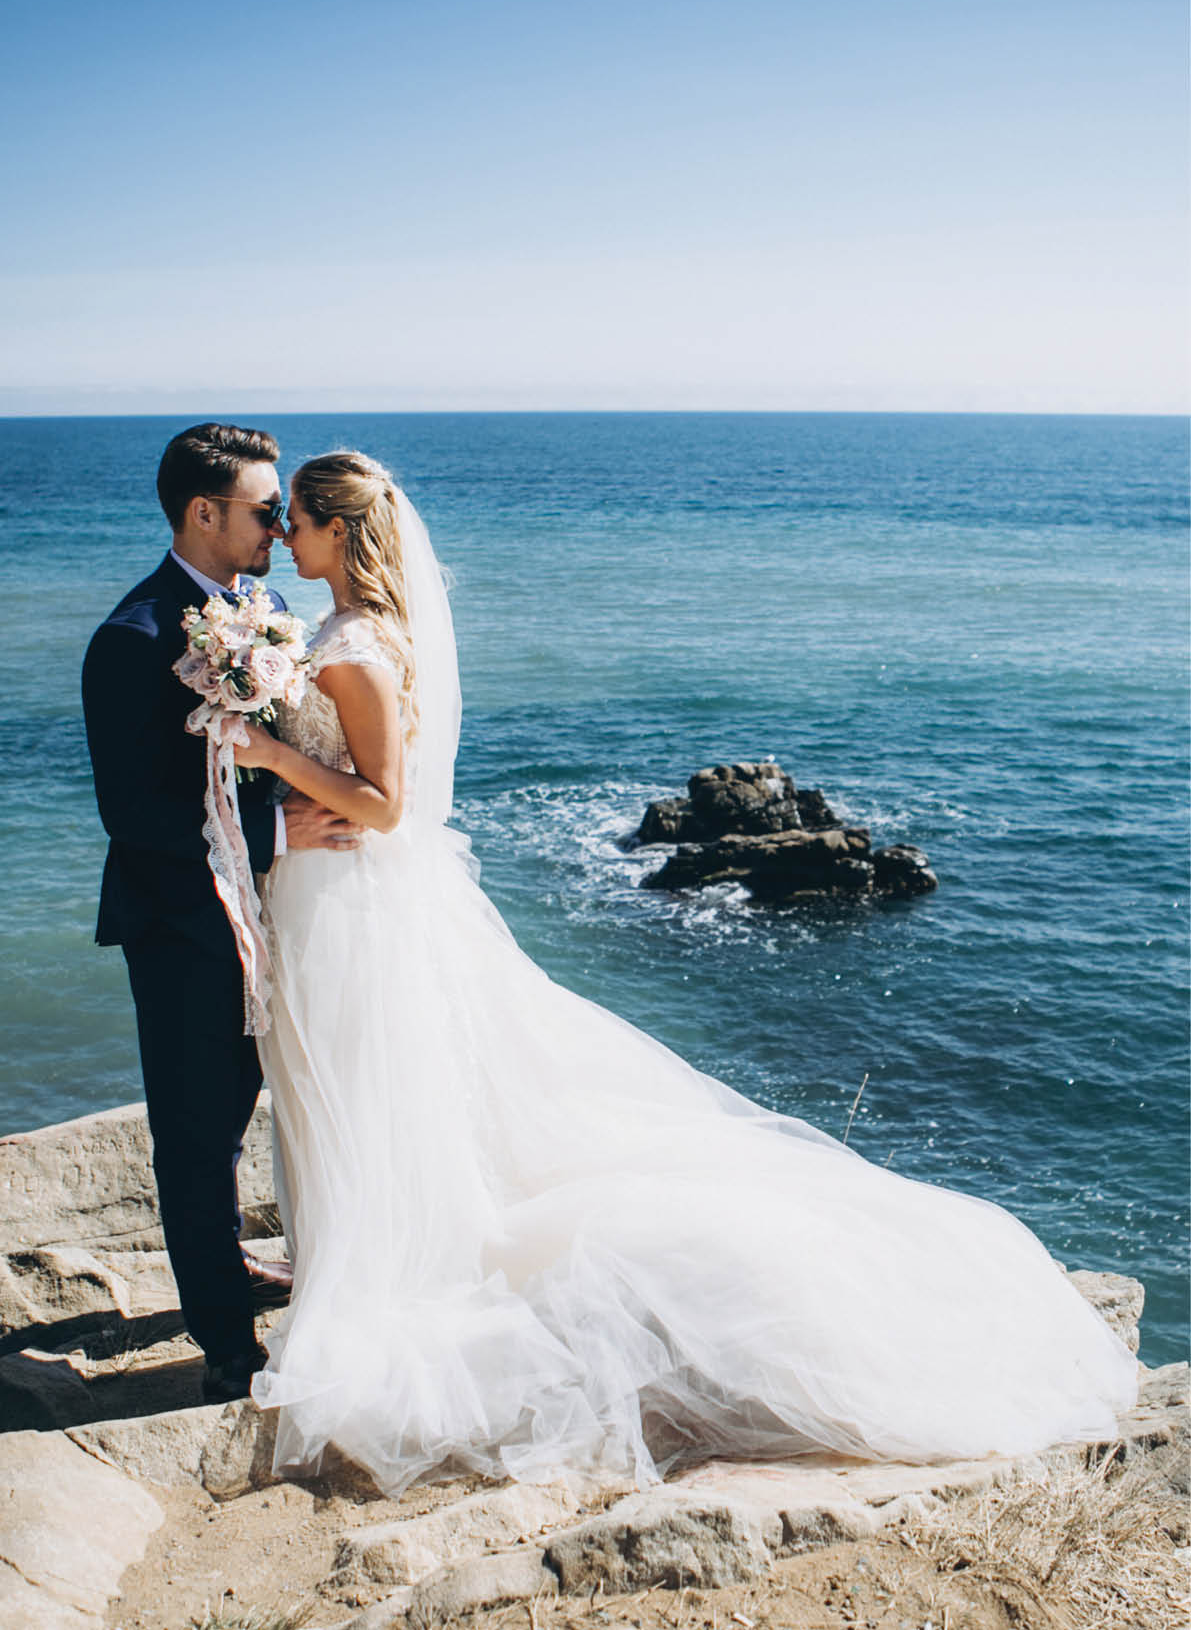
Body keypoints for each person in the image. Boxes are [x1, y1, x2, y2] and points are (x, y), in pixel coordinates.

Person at [236, 450, 1137, 1494]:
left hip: (354, 906)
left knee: (358, 1084)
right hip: (340, 893)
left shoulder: (351, 644)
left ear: (339, 533)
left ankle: (376, 1266)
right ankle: (353, 1250)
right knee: (364, 1088)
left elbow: (386, 803)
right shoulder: (363, 633)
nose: (282, 537)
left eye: (294, 520)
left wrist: (268, 757)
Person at [81, 424, 362, 1402]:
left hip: (273, 914)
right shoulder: (132, 640)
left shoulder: (269, 608)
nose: (281, 528)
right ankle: (225, 1344)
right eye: (264, 510)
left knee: (257, 1101)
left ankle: (237, 1263)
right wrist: (284, 832)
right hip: (180, 925)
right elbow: (138, 813)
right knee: (196, 1135)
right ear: (204, 513)